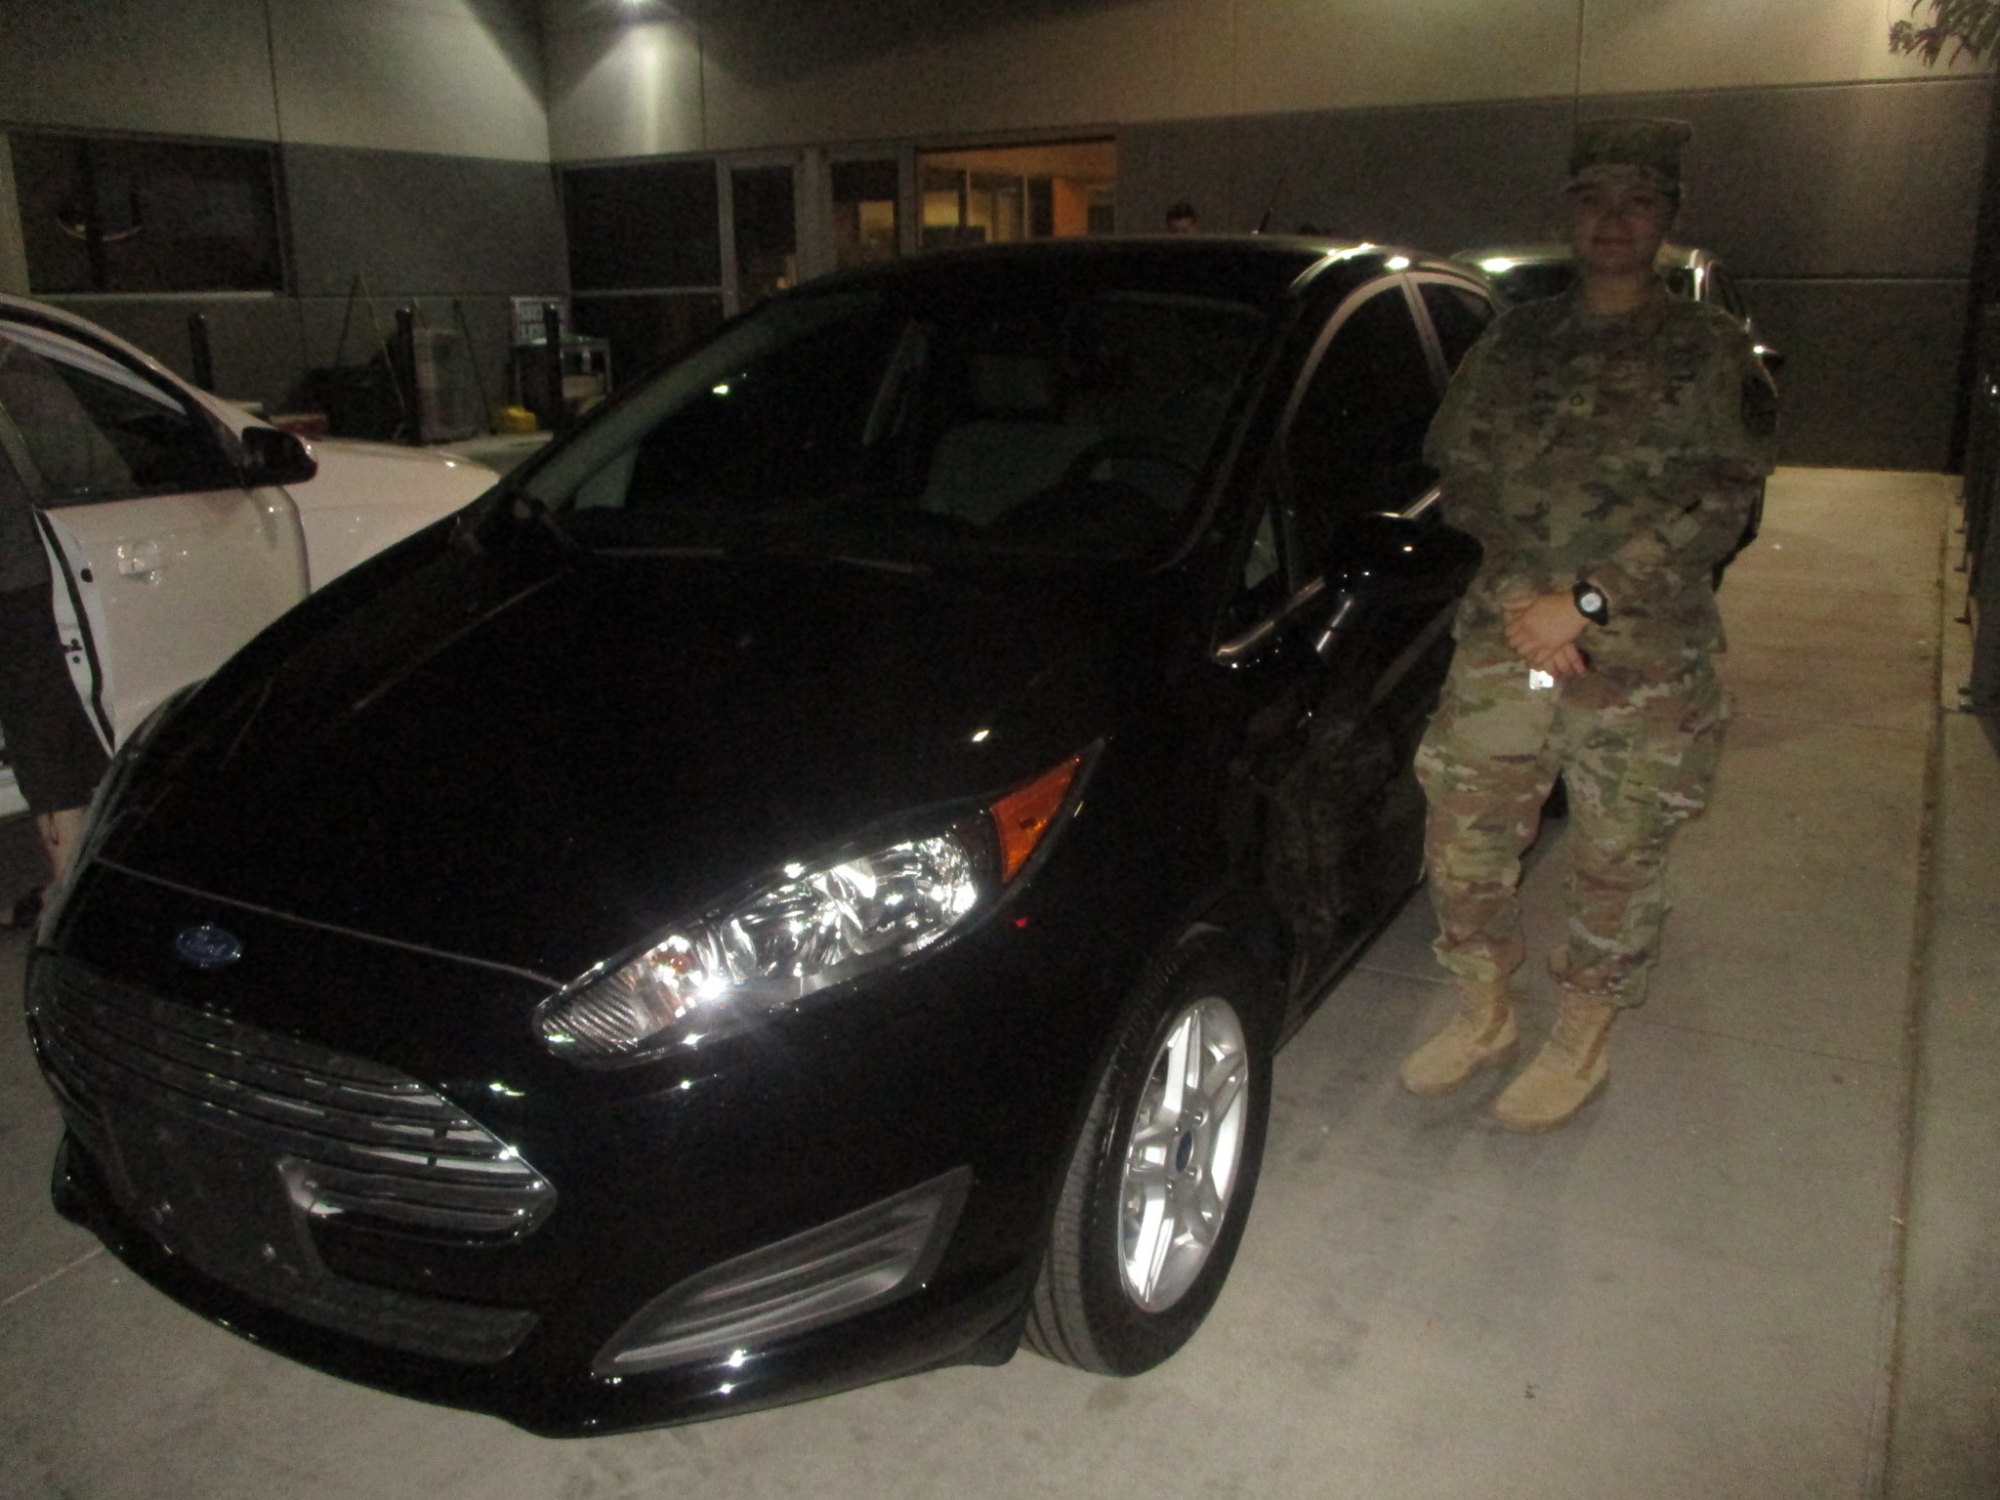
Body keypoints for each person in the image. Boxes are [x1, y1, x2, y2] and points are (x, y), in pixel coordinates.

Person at [1397, 118, 1777, 1133]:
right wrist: (1533, 599)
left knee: (1618, 853)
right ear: (1569, 212)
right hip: (1514, 639)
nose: (1614, 220)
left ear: (1667, 217)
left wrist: (1588, 600)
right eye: (1594, 200)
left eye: (1638, 201)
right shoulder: (1515, 340)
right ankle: (1483, 1007)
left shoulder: (1707, 348)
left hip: (1644, 657)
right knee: (1463, 828)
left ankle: (1582, 1031)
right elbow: (1462, 475)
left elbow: (1724, 503)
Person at [0, 424, 107, 927]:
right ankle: (70, 889)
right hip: (22, 576)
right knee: (45, 723)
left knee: (43, 727)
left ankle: (68, 891)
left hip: (19, 577)